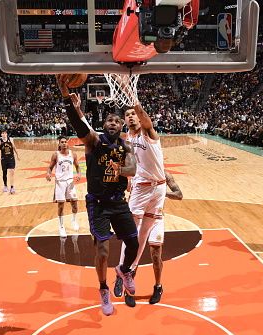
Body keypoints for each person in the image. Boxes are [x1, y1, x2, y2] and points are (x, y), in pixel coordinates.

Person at [56, 74, 139, 316]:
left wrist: (118, 169)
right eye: (109, 120)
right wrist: (65, 97)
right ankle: (103, 289)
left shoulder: (126, 146)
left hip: (119, 202)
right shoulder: (94, 141)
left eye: (117, 121)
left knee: (133, 243)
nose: (113, 123)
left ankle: (123, 270)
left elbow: (132, 169)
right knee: (102, 249)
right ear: (105, 125)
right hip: (98, 204)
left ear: (122, 126)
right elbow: (78, 124)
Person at [112, 104, 168, 306]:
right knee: (131, 235)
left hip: (159, 189)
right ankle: (122, 271)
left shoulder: (149, 133)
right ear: (125, 121)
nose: (131, 117)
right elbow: (132, 165)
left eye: (134, 114)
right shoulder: (128, 140)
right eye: (127, 115)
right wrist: (123, 175)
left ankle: (130, 274)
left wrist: (132, 96)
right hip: (141, 190)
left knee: (145, 239)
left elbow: (145, 118)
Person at [115, 171, 183, 306]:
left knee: (156, 255)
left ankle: (158, 287)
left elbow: (179, 195)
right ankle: (128, 291)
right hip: (139, 219)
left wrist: (163, 193)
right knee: (134, 255)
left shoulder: (165, 176)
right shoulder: (136, 175)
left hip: (156, 219)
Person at [46, 136, 81, 237]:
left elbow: (78, 167)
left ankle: (73, 220)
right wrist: (48, 174)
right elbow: (50, 168)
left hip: (70, 182)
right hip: (60, 182)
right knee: (61, 205)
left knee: (74, 203)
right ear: (59, 144)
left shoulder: (73, 154)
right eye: (62, 142)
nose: (64, 143)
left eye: (66, 142)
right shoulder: (56, 155)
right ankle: (61, 226)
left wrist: (79, 174)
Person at [0, 130, 20, 194]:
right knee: (4, 173)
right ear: (1, 134)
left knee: (12, 171)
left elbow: (14, 147)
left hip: (11, 158)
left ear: (7, 134)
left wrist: (17, 155)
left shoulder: (11, 139)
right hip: (4, 159)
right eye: (3, 133)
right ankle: (5, 186)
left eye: (5, 133)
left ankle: (12, 187)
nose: (4, 134)